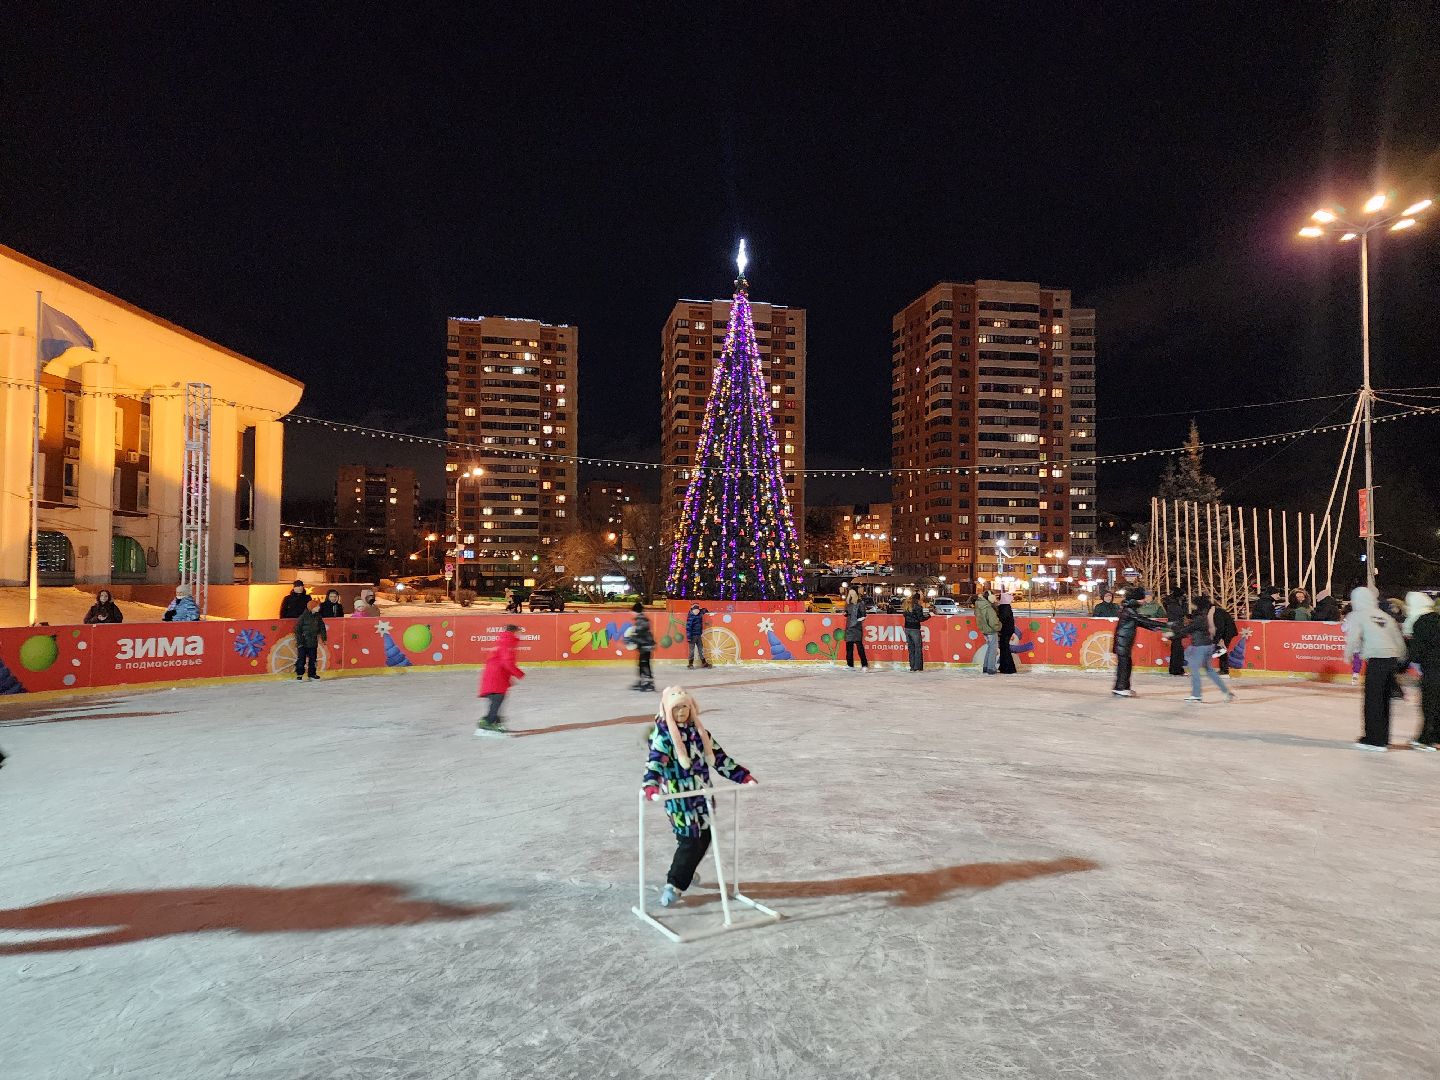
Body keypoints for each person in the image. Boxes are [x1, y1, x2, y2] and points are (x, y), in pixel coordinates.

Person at [641, 686, 756, 908]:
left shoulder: (700, 734)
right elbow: (655, 761)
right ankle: (675, 884)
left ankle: (685, 869)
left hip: (702, 796)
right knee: (691, 839)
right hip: (680, 798)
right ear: (667, 711)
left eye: (685, 706)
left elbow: (720, 759)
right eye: (676, 708)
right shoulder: (664, 737)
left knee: (704, 837)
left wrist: (741, 775)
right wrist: (651, 785)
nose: (681, 712)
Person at [1346, 586, 1407, 751]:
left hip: (1376, 660)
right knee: (1384, 699)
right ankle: (1383, 737)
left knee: (1373, 699)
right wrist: (1400, 658)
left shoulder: (1358, 615)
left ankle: (1374, 740)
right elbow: (1398, 639)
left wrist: (1348, 655)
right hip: (1391, 659)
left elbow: (1352, 637)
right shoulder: (1385, 616)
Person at [1174, 596, 1234, 703]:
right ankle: (1226, 692)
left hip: (1200, 647)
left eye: (1193, 604)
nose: (1191, 605)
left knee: (1194, 669)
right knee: (1210, 671)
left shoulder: (1199, 618)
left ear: (1197, 606)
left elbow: (1187, 629)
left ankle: (1196, 694)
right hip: (1207, 646)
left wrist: (1171, 634)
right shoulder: (1204, 616)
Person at [1112, 587, 1170, 697]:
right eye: (1142, 599)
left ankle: (1124, 687)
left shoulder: (1130, 609)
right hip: (1122, 642)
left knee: (1126, 665)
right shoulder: (1129, 610)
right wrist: (1165, 625)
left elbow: (1141, 623)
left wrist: (1156, 628)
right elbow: (1141, 620)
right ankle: (1120, 688)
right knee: (1124, 665)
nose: (1144, 601)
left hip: (1124, 642)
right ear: (1136, 599)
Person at [1403, 592, 1440, 751]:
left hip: (1433, 669)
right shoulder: (1437, 618)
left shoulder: (1421, 622)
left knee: (1429, 704)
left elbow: (1417, 651)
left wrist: (1402, 667)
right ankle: (1436, 738)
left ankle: (1427, 739)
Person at [476, 624, 524, 734]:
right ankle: (488, 721)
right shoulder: (508, 643)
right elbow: (507, 662)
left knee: (497, 699)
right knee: (497, 699)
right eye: (519, 632)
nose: (520, 634)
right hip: (496, 677)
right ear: (514, 632)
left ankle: (496, 722)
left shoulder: (505, 641)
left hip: (496, 676)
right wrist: (519, 673)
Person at [293, 598, 327, 681]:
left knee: (313, 659)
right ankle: (299, 674)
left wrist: (324, 638)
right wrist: (300, 641)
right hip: (303, 642)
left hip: (313, 642)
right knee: (301, 659)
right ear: (312, 607)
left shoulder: (318, 616)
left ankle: (312, 674)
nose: (319, 608)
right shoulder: (303, 617)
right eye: (317, 606)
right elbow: (297, 629)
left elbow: (322, 627)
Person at [628, 602, 655, 691]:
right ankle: (642, 681)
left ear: (636, 611)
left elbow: (639, 634)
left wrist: (631, 639)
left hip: (646, 646)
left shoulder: (641, 620)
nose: (632, 613)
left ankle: (649, 683)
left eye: (633, 611)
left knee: (644, 664)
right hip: (644, 646)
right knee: (641, 664)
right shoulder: (641, 619)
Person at [901, 593, 930, 671]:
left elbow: (904, 615)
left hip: (907, 629)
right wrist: (929, 616)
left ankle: (912, 666)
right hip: (915, 629)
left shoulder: (906, 606)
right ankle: (917, 667)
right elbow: (920, 618)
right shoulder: (917, 607)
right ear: (918, 599)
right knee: (918, 648)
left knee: (911, 649)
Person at [974, 589, 1000, 675]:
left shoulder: (980, 605)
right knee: (992, 649)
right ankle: (991, 668)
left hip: (984, 630)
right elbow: (993, 622)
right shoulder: (988, 608)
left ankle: (986, 666)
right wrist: (999, 626)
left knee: (989, 648)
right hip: (991, 630)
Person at [843, 587, 870, 671]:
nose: (851, 595)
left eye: (852, 593)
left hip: (856, 627)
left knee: (859, 647)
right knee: (849, 648)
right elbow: (847, 612)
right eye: (849, 594)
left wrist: (860, 619)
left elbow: (864, 614)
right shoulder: (848, 603)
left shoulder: (860, 603)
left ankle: (864, 664)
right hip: (849, 627)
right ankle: (850, 665)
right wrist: (845, 613)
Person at [1211, 600, 1239, 677]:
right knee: (1221, 649)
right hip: (1226, 632)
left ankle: (1224, 669)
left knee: (1222, 649)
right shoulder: (1217, 611)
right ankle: (1223, 669)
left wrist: (1220, 638)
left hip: (1226, 633)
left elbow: (1220, 627)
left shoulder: (1217, 613)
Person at [1163, 590, 1187, 676]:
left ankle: (1175, 669)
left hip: (1175, 629)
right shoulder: (1174, 605)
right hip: (1176, 629)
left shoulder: (1171, 603)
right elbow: (1182, 613)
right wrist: (1184, 603)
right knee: (1177, 650)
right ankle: (1176, 669)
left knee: (1176, 649)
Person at [997, 591, 1018, 674]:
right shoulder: (1007, 607)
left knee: (1004, 648)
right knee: (1004, 648)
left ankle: (1008, 667)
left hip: (1005, 631)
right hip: (1008, 630)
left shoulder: (1004, 608)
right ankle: (1004, 666)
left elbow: (1003, 620)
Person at [685, 604, 711, 670]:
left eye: (697, 610)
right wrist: (688, 637)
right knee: (692, 650)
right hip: (692, 636)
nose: (697, 611)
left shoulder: (699, 613)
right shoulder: (691, 617)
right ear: (693, 610)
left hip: (698, 635)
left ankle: (703, 663)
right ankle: (690, 664)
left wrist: (705, 610)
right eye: (695, 610)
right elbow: (688, 627)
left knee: (700, 649)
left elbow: (703, 610)